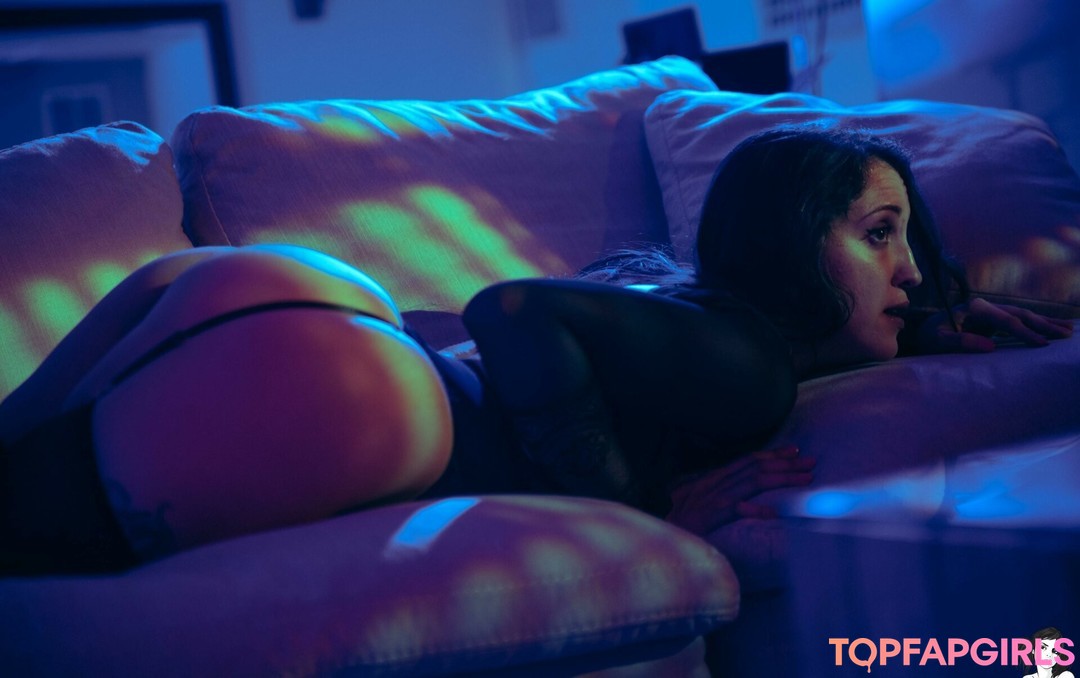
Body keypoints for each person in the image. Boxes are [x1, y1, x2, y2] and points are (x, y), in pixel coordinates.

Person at [0, 126, 1071, 575]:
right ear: (793, 242)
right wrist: (636, 512)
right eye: (880, 235)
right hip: (363, 402)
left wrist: (930, 322)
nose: (912, 269)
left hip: (279, 297)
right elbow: (513, 310)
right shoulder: (745, 366)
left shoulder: (677, 303)